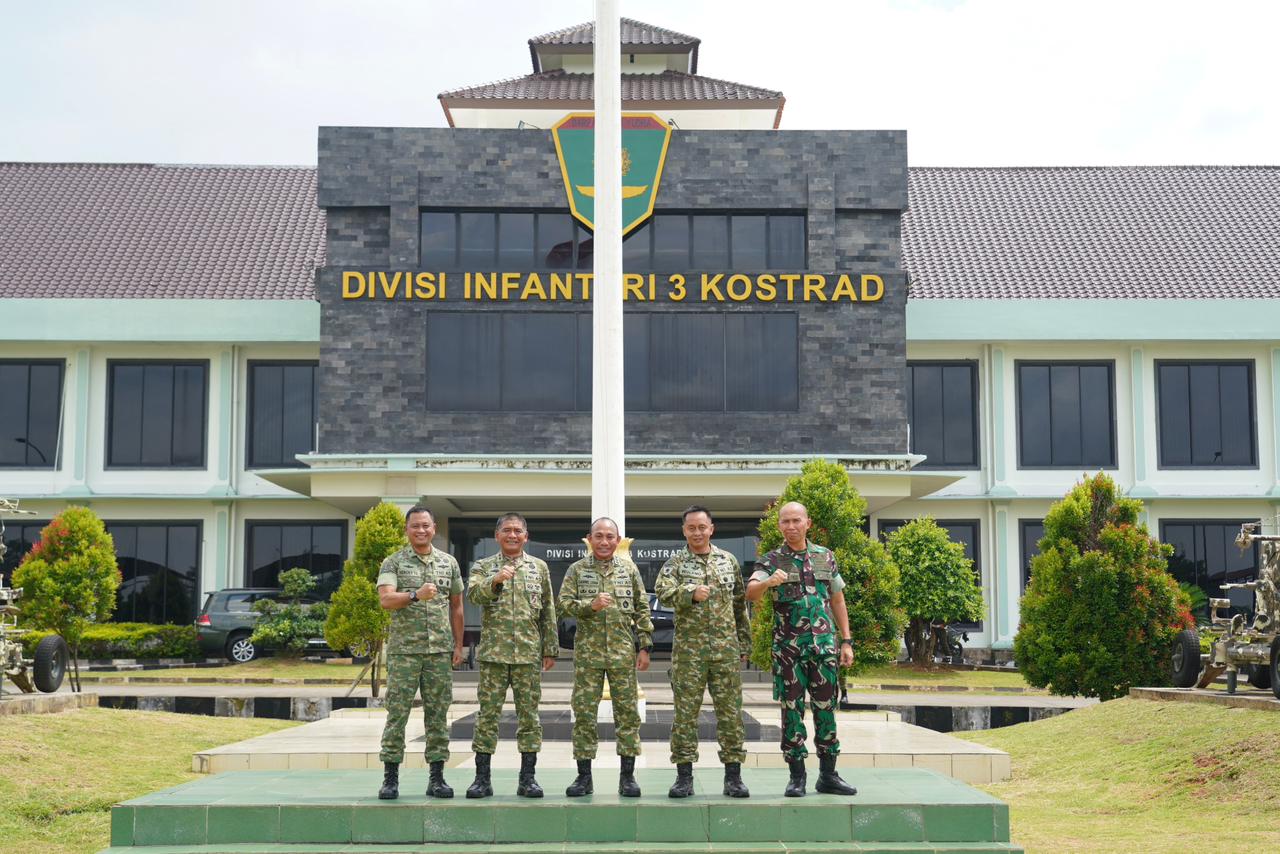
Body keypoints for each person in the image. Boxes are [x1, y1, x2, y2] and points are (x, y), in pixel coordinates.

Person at [746, 501, 857, 798]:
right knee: (791, 712)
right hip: (789, 652)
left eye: (797, 520)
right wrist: (769, 582)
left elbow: (837, 599)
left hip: (823, 649)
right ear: (779, 525)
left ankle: (828, 775)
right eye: (785, 521)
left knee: (826, 710)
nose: (791, 526)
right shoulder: (771, 560)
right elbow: (751, 591)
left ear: (808, 523)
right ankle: (797, 777)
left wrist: (846, 641)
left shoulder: (825, 556)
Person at [655, 505, 751, 798]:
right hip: (689, 653)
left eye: (701, 527)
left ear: (711, 529)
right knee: (685, 716)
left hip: (725, 651)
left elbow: (739, 604)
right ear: (684, 531)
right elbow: (661, 592)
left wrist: (744, 643)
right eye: (691, 528)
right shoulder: (675, 563)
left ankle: (733, 777)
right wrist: (689, 593)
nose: (697, 533)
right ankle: (684, 777)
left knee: (731, 714)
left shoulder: (728, 561)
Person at [463, 512, 558, 799]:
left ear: (526, 536)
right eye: (507, 530)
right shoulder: (483, 566)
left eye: (518, 530)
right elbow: (473, 595)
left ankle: (528, 778)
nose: (512, 535)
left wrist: (550, 648)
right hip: (494, 655)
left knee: (529, 718)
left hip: (528, 655)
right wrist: (495, 580)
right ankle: (482, 779)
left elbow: (548, 609)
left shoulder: (538, 567)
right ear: (497, 536)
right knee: (487, 717)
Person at [558, 517, 654, 797]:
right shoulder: (576, 570)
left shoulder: (629, 569)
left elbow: (642, 608)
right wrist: (591, 605)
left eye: (609, 536)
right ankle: (583, 777)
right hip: (588, 655)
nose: (604, 541)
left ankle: (628, 777)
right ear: (589, 539)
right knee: (584, 714)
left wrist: (645, 647)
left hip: (622, 653)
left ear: (618, 540)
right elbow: (563, 605)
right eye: (598, 536)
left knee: (627, 715)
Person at [375, 505, 464, 800]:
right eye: (415, 526)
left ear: (434, 528)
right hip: (405, 652)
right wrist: (415, 595)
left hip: (439, 651)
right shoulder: (393, 562)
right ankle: (390, 778)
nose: (421, 530)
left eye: (426, 525)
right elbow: (386, 600)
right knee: (397, 713)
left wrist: (458, 645)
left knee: (438, 714)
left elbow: (457, 606)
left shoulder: (449, 562)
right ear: (407, 530)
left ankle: (437, 778)